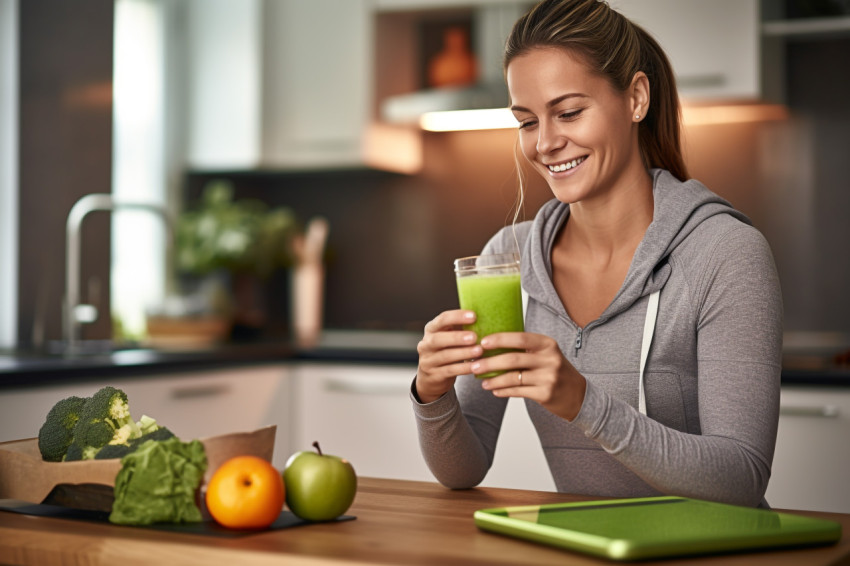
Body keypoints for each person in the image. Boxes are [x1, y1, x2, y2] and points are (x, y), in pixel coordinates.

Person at [411, 0, 783, 508]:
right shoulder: (510, 259)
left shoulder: (724, 253)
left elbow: (742, 477)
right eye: (526, 121)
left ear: (635, 98)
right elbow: (465, 468)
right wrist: (431, 393)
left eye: (568, 113)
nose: (545, 143)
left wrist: (584, 403)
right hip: (588, 550)